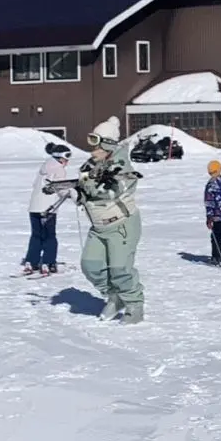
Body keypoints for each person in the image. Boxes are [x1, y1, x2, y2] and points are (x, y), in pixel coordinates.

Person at [47, 117, 146, 324]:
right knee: (90, 265)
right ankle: (115, 296)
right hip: (99, 226)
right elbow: (84, 185)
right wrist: (73, 191)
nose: (91, 148)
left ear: (108, 144)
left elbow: (111, 192)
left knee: (120, 269)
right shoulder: (90, 165)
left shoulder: (121, 166)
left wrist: (83, 193)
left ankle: (134, 305)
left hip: (121, 225)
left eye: (96, 142)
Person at [23, 142, 74, 276]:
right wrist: (73, 194)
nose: (67, 162)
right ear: (59, 157)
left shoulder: (44, 166)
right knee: (50, 236)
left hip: (34, 207)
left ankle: (31, 261)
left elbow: (36, 184)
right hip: (48, 208)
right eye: (65, 159)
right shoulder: (59, 169)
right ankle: (48, 262)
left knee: (36, 235)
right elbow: (61, 188)